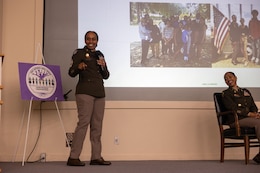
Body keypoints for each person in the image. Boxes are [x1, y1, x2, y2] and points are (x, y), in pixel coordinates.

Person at [67, 31, 111, 166]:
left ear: (97, 41)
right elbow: (71, 72)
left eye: (93, 39)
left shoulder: (100, 54)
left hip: (99, 93)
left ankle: (96, 157)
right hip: (85, 92)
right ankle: (73, 157)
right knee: (83, 123)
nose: (90, 41)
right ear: (85, 40)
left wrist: (103, 65)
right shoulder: (79, 53)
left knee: (97, 126)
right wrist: (79, 67)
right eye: (88, 39)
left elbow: (106, 75)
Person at [222, 72, 260, 164]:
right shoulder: (226, 93)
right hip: (236, 120)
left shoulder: (245, 91)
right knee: (258, 123)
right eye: (226, 79)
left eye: (230, 77)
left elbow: (253, 106)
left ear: (235, 78)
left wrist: (255, 113)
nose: (228, 79)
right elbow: (232, 108)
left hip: (250, 119)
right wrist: (249, 114)